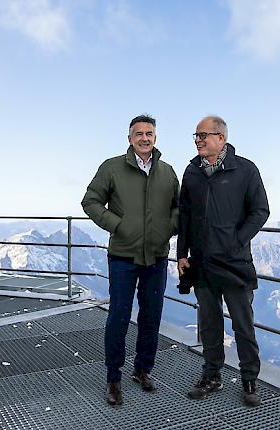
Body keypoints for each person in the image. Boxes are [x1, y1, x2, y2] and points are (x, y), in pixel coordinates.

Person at [82, 114, 179, 406]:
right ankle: (113, 377)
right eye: (139, 133)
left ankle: (143, 370)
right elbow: (90, 201)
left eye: (149, 133)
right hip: (123, 256)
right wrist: (118, 225)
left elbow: (180, 208)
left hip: (157, 257)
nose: (144, 138)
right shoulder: (111, 168)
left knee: (151, 316)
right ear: (129, 138)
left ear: (155, 138)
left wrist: (168, 228)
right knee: (119, 317)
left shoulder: (168, 172)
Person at [177, 115, 269, 407]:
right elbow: (185, 216)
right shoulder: (192, 172)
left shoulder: (245, 170)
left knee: (243, 324)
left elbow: (260, 210)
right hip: (201, 262)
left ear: (222, 138)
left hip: (235, 261)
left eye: (204, 135)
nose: (199, 141)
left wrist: (236, 240)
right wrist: (181, 253)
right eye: (196, 136)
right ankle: (211, 375)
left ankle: (249, 379)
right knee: (209, 323)